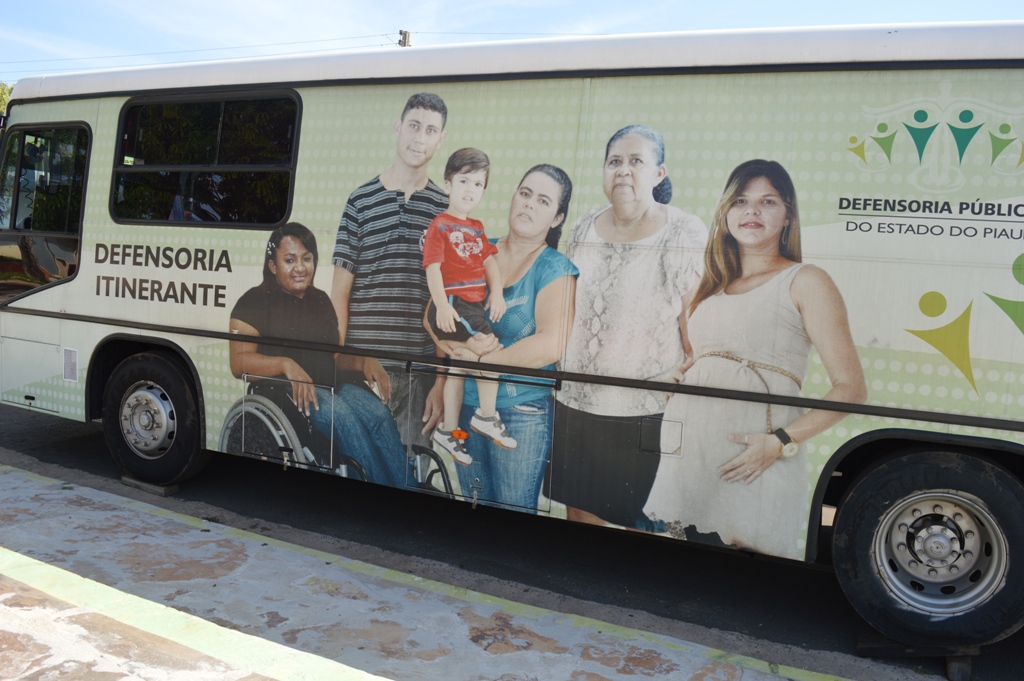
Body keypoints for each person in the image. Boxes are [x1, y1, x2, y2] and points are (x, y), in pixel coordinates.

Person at [643, 159, 867, 559]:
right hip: (691, 455)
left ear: (787, 216)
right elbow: (708, 356)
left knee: (749, 575)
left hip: (757, 459)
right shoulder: (710, 289)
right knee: (691, 572)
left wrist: (780, 442)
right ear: (726, 211)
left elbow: (851, 390)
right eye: (741, 200)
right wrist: (683, 374)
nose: (752, 211)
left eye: (767, 201)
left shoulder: (806, 280)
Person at [550, 125, 708, 530]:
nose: (623, 170)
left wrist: (687, 374)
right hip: (575, 403)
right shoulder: (584, 225)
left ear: (659, 173)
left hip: (642, 411)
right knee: (579, 514)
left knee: (637, 527)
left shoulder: (683, 231)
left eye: (636, 161)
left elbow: (700, 326)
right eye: (614, 161)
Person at [430, 164, 578, 510]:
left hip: (521, 414)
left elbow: (551, 344)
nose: (528, 204)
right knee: (475, 505)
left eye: (543, 201)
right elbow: (434, 313)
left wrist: (480, 360)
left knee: (513, 514)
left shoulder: (555, 269)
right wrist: (461, 348)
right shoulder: (477, 248)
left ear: (557, 218)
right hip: (464, 409)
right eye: (524, 194)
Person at [229, 223, 408, 487]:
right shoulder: (253, 301)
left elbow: (334, 356)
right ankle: (380, 496)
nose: (300, 268)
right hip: (290, 392)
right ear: (273, 266)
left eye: (307, 258)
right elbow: (238, 362)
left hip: (334, 383)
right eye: (289, 260)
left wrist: (363, 360)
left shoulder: (320, 299)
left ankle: (407, 488)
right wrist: (285, 365)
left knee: (380, 416)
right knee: (345, 419)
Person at [331, 93, 449, 448]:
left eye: (430, 130)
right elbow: (339, 293)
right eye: (413, 125)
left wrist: (442, 382)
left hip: (421, 377)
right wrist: (338, 362)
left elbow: (451, 304)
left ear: (441, 139)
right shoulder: (360, 200)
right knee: (357, 472)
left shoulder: (446, 209)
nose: (419, 137)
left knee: (411, 479)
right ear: (398, 128)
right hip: (364, 372)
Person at [424, 148, 515, 465]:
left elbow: (490, 261)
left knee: (460, 365)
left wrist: (498, 293)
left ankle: (449, 432)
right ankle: (486, 417)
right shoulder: (441, 225)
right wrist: (442, 306)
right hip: (454, 303)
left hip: (475, 306)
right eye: (464, 181)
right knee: (489, 353)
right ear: (448, 184)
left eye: (478, 184)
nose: (470, 190)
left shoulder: (476, 226)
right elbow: (432, 268)